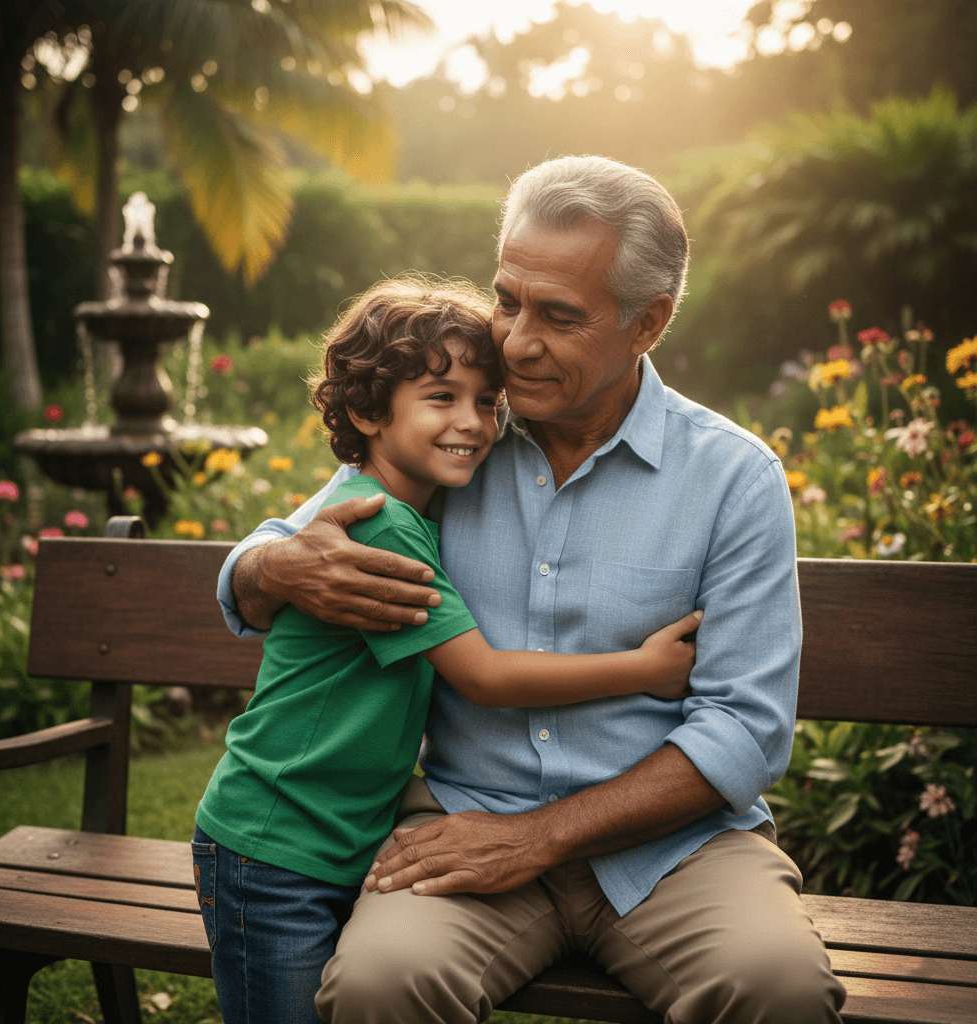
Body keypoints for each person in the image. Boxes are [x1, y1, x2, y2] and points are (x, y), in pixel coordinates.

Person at [218, 157, 847, 1023]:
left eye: (558, 315)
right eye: (507, 298)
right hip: (464, 820)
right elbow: (316, 525)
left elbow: (745, 731)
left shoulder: (733, 479)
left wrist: (538, 838)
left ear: (647, 324)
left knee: (776, 989)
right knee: (379, 986)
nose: (514, 340)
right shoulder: (459, 432)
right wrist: (265, 567)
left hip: (675, 851)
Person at [193, 276, 704, 1024]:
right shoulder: (381, 524)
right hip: (275, 845)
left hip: (335, 839)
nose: (473, 424)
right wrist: (646, 669)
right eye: (441, 399)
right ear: (368, 412)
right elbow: (486, 677)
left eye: (487, 403)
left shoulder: (405, 503)